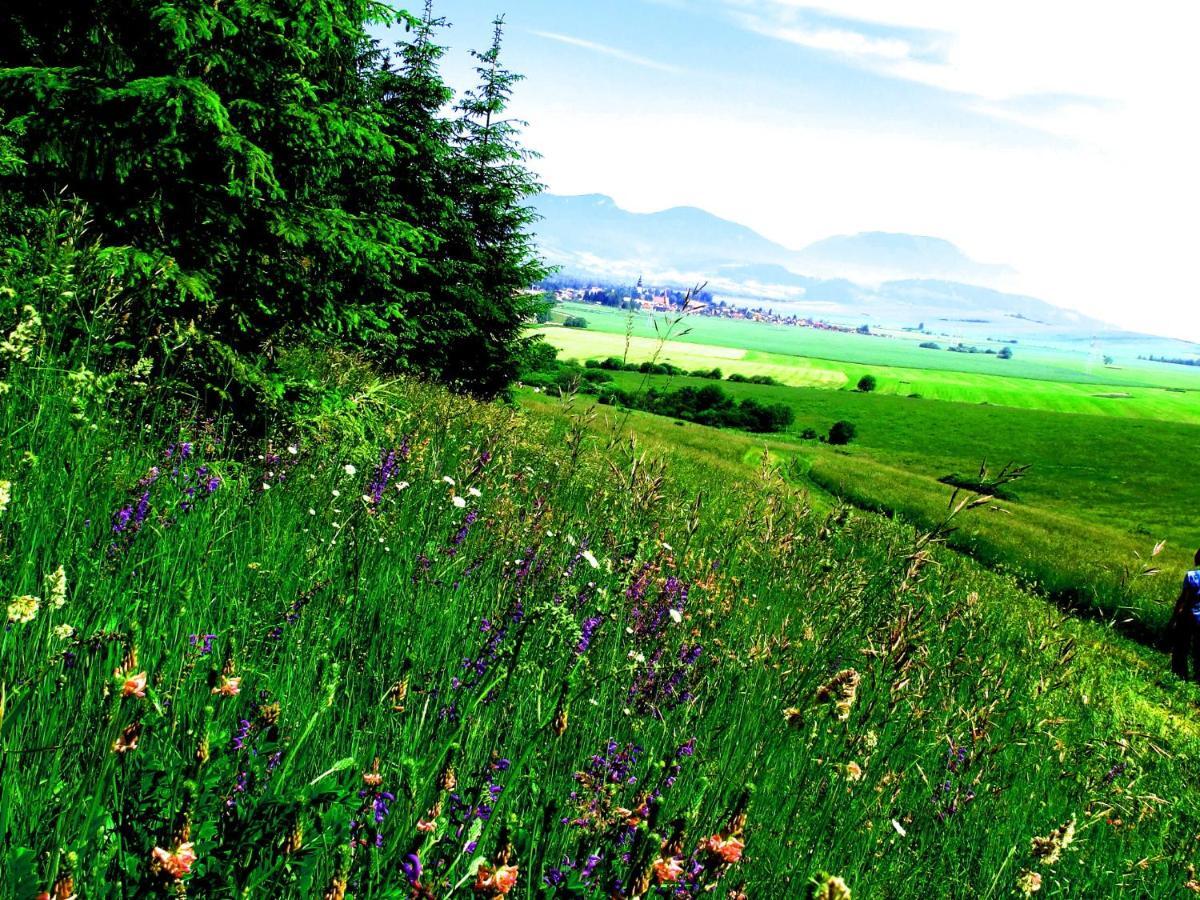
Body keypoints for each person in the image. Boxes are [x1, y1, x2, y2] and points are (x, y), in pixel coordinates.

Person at [1171, 549, 1200, 680]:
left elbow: (1183, 600)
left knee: (1181, 647)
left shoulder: (1192, 576)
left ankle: (1180, 675)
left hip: (1189, 617)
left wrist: (1174, 617)